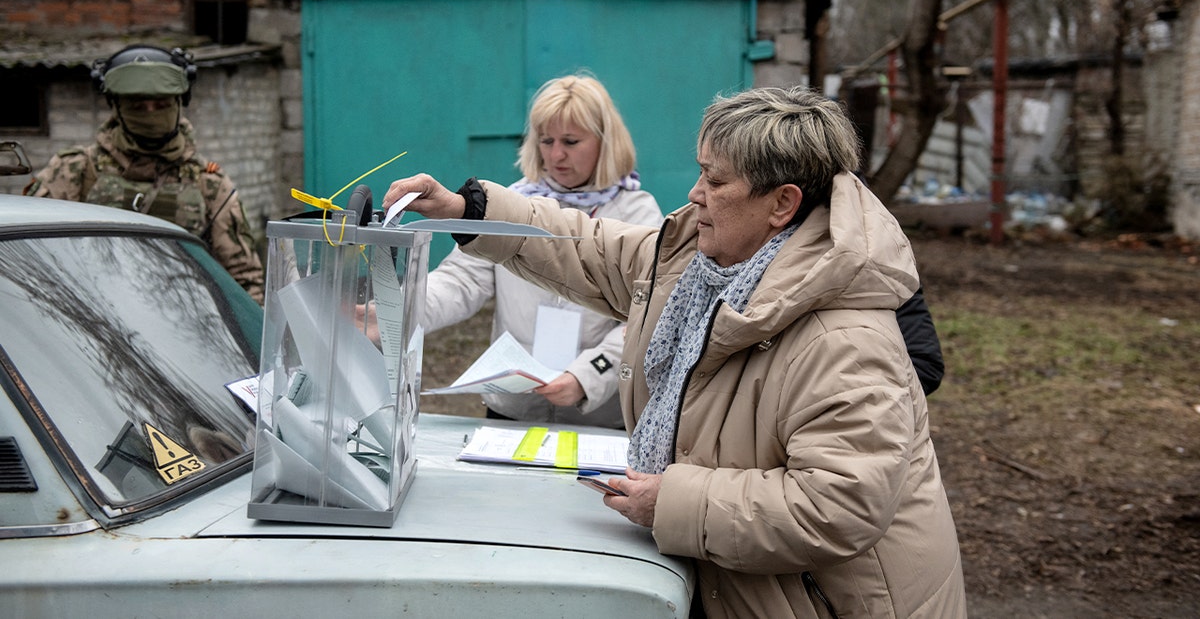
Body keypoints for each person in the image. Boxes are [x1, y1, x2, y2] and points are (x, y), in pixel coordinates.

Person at [383, 85, 967, 618]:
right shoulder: (702, 265)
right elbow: (588, 247)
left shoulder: (845, 341)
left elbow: (836, 506)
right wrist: (467, 210)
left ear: (782, 205)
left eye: (715, 182)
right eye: (700, 174)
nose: (694, 194)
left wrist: (674, 500)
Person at [422, 74, 663, 428]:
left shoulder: (638, 213)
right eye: (546, 140)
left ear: (605, 141)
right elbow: (459, 280)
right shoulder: (511, 204)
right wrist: (395, 310)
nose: (556, 154)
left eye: (571, 141)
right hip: (513, 408)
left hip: (597, 415)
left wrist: (586, 377)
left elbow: (646, 316)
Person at [24, 44, 264, 302]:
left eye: (161, 105)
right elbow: (33, 260)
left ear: (179, 103)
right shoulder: (74, 171)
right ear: (116, 106)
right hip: (92, 319)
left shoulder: (209, 183)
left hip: (188, 324)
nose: (150, 114)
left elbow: (245, 282)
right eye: (138, 107)